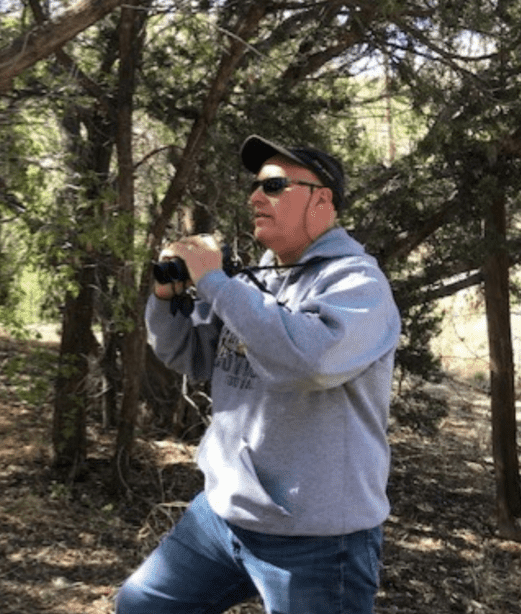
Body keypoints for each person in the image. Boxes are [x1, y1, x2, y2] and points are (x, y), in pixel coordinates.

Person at [116, 135, 401, 614]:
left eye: (273, 185)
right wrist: (167, 298)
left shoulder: (358, 283)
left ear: (322, 199)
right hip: (223, 514)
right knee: (142, 605)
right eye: (254, 186)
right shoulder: (256, 279)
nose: (254, 197)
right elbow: (191, 356)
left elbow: (309, 361)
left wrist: (214, 281)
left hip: (317, 538)